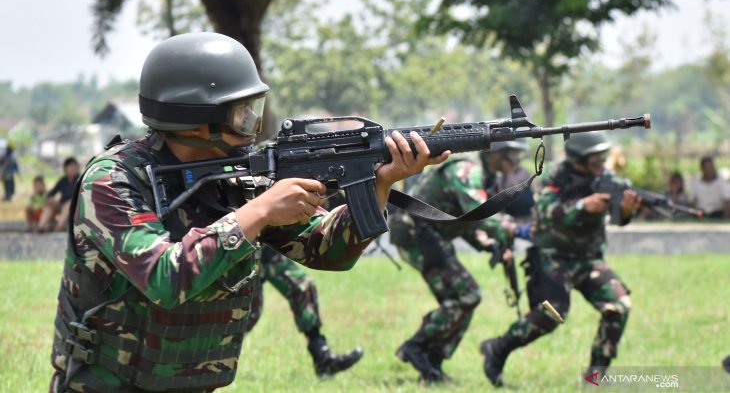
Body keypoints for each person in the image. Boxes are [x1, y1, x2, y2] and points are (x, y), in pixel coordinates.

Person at [48, 32, 447, 393]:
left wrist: (380, 185)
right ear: (195, 117)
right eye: (242, 112)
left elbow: (326, 249)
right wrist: (256, 213)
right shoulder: (114, 179)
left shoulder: (235, 175)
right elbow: (163, 277)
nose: (254, 123)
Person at [480, 132, 641, 387]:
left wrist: (626, 210)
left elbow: (620, 218)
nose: (601, 162)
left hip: (589, 259)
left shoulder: (607, 180)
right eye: (595, 158)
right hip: (552, 258)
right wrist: (581, 207)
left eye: (603, 157)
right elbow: (545, 212)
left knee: (618, 306)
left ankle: (595, 379)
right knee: (551, 316)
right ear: (580, 158)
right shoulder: (555, 176)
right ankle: (498, 348)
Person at [389, 149, 517, 383]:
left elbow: (463, 219)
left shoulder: (484, 176)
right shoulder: (465, 172)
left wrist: (487, 244)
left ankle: (431, 365)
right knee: (466, 295)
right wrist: (514, 229)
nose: (515, 161)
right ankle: (415, 347)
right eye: (511, 154)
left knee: (462, 300)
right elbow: (478, 211)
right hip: (417, 236)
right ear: (493, 155)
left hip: (429, 237)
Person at [246, 245, 363, 377]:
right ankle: (220, 360)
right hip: (239, 243)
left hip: (263, 243)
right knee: (248, 312)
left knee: (302, 287)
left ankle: (322, 358)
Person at [38, 156, 80, 232]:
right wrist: (50, 198)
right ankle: (41, 226)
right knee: (49, 204)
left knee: (69, 203)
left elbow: (74, 195)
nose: (73, 169)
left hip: (75, 207)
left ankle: (59, 226)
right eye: (70, 167)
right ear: (65, 169)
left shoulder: (80, 180)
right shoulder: (63, 180)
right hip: (62, 205)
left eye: (74, 167)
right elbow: (52, 192)